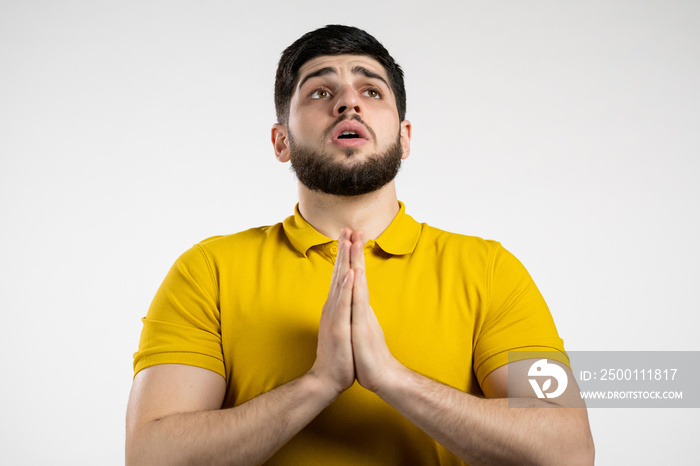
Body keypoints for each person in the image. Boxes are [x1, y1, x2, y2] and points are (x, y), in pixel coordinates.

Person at [126, 25, 594, 465]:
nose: (349, 102)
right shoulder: (208, 270)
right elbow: (150, 454)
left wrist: (392, 380)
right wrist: (317, 384)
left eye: (371, 91)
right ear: (281, 141)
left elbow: (569, 449)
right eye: (320, 92)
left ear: (404, 138)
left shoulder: (489, 269)